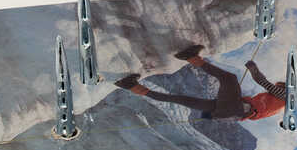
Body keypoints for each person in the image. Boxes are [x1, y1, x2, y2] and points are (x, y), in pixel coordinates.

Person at [114, 44, 286, 121]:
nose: (279, 84)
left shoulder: (285, 96)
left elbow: (262, 81)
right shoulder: (280, 105)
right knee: (179, 99)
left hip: (235, 109)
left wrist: (253, 68)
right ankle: (130, 86)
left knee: (230, 79)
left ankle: (190, 57)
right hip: (229, 112)